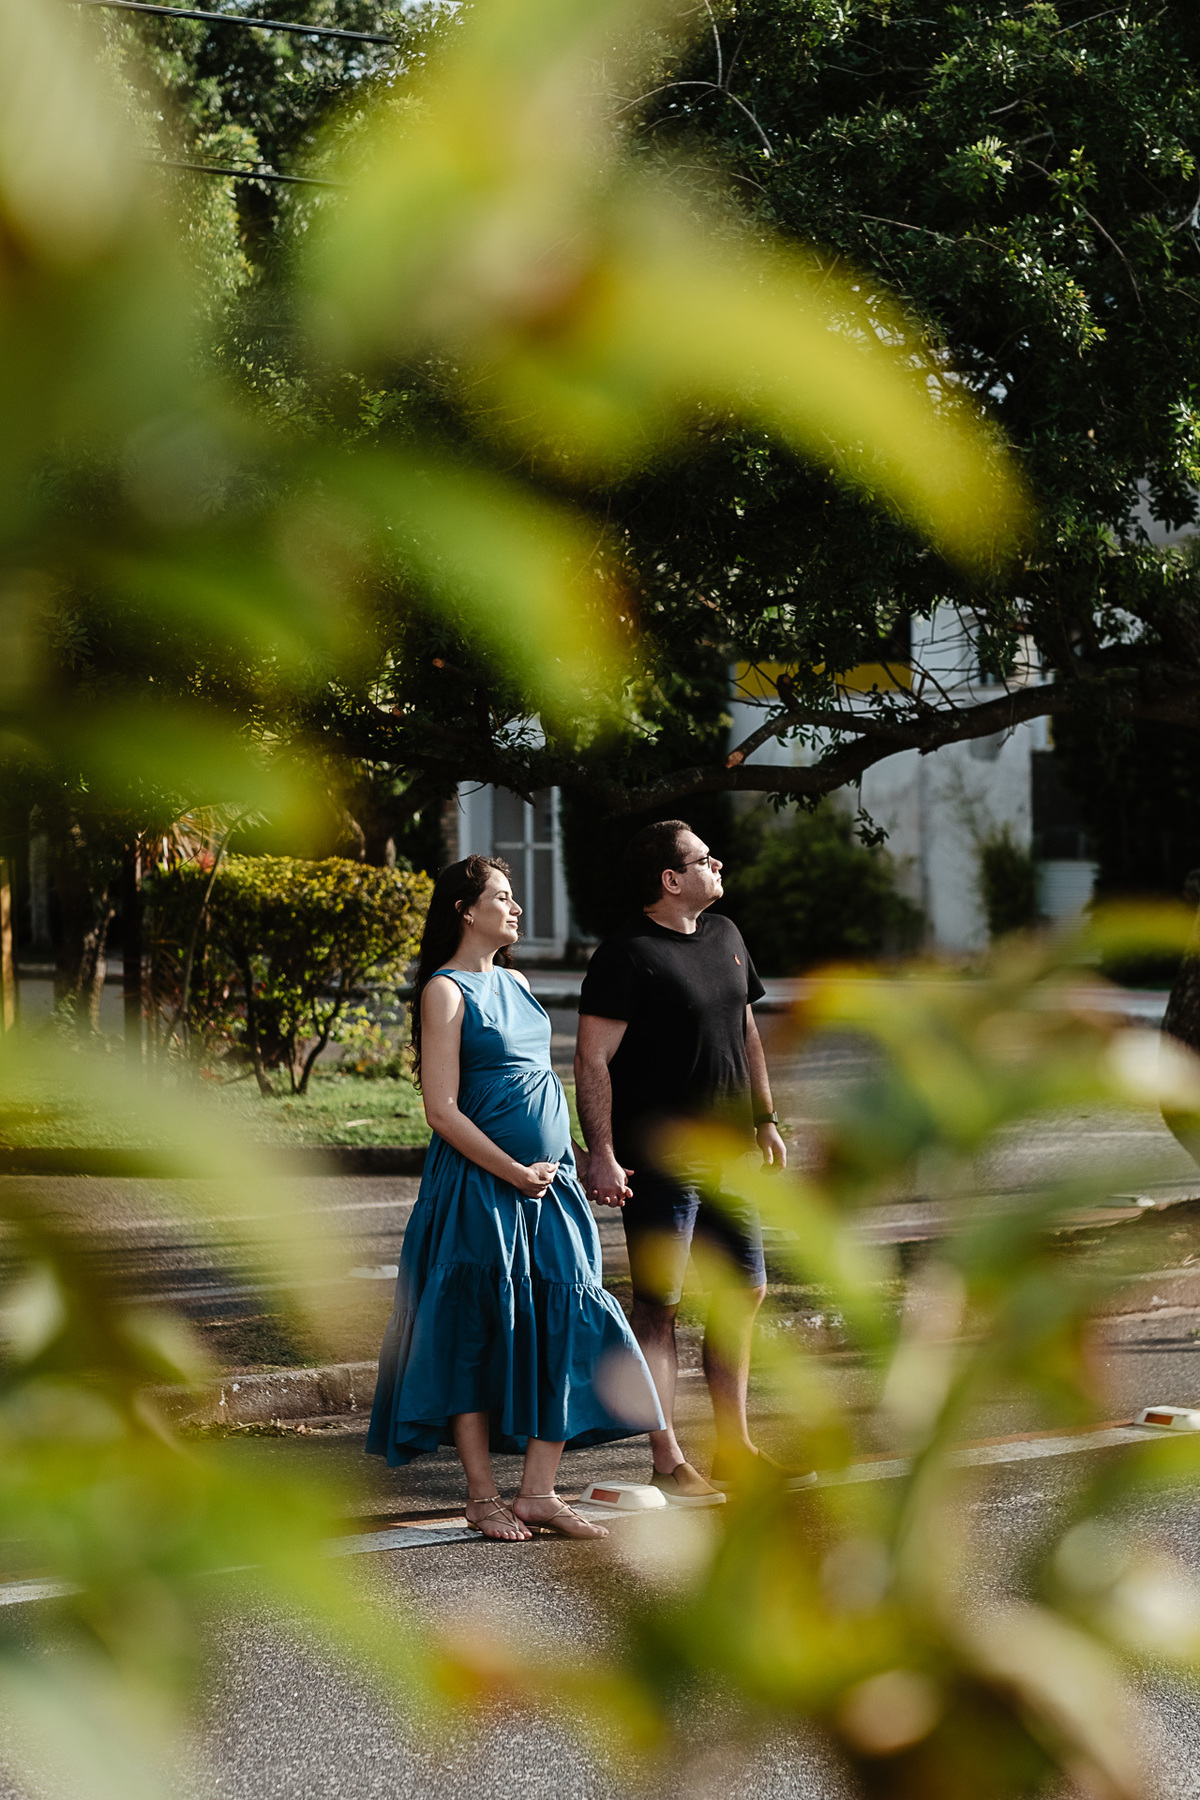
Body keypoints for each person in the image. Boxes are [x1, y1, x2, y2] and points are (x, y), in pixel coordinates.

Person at [366, 854, 663, 1541]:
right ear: (466, 911)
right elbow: (441, 1110)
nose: (516, 908)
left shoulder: (519, 982)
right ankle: (481, 1497)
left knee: (569, 1315)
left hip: (550, 1186)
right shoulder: (445, 992)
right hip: (479, 1187)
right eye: (502, 897)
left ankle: (538, 1493)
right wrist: (510, 1170)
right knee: (472, 1329)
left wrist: (584, 1158)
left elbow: (542, 1086)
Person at [575, 819, 802, 1506]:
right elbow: (591, 1059)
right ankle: (667, 1459)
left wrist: (764, 1119)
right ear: (671, 879)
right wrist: (602, 1153)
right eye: (704, 859)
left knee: (745, 1292)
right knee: (661, 1307)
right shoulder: (626, 955)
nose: (718, 863)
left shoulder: (726, 934)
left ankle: (735, 1448)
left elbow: (746, 1031)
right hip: (661, 1164)